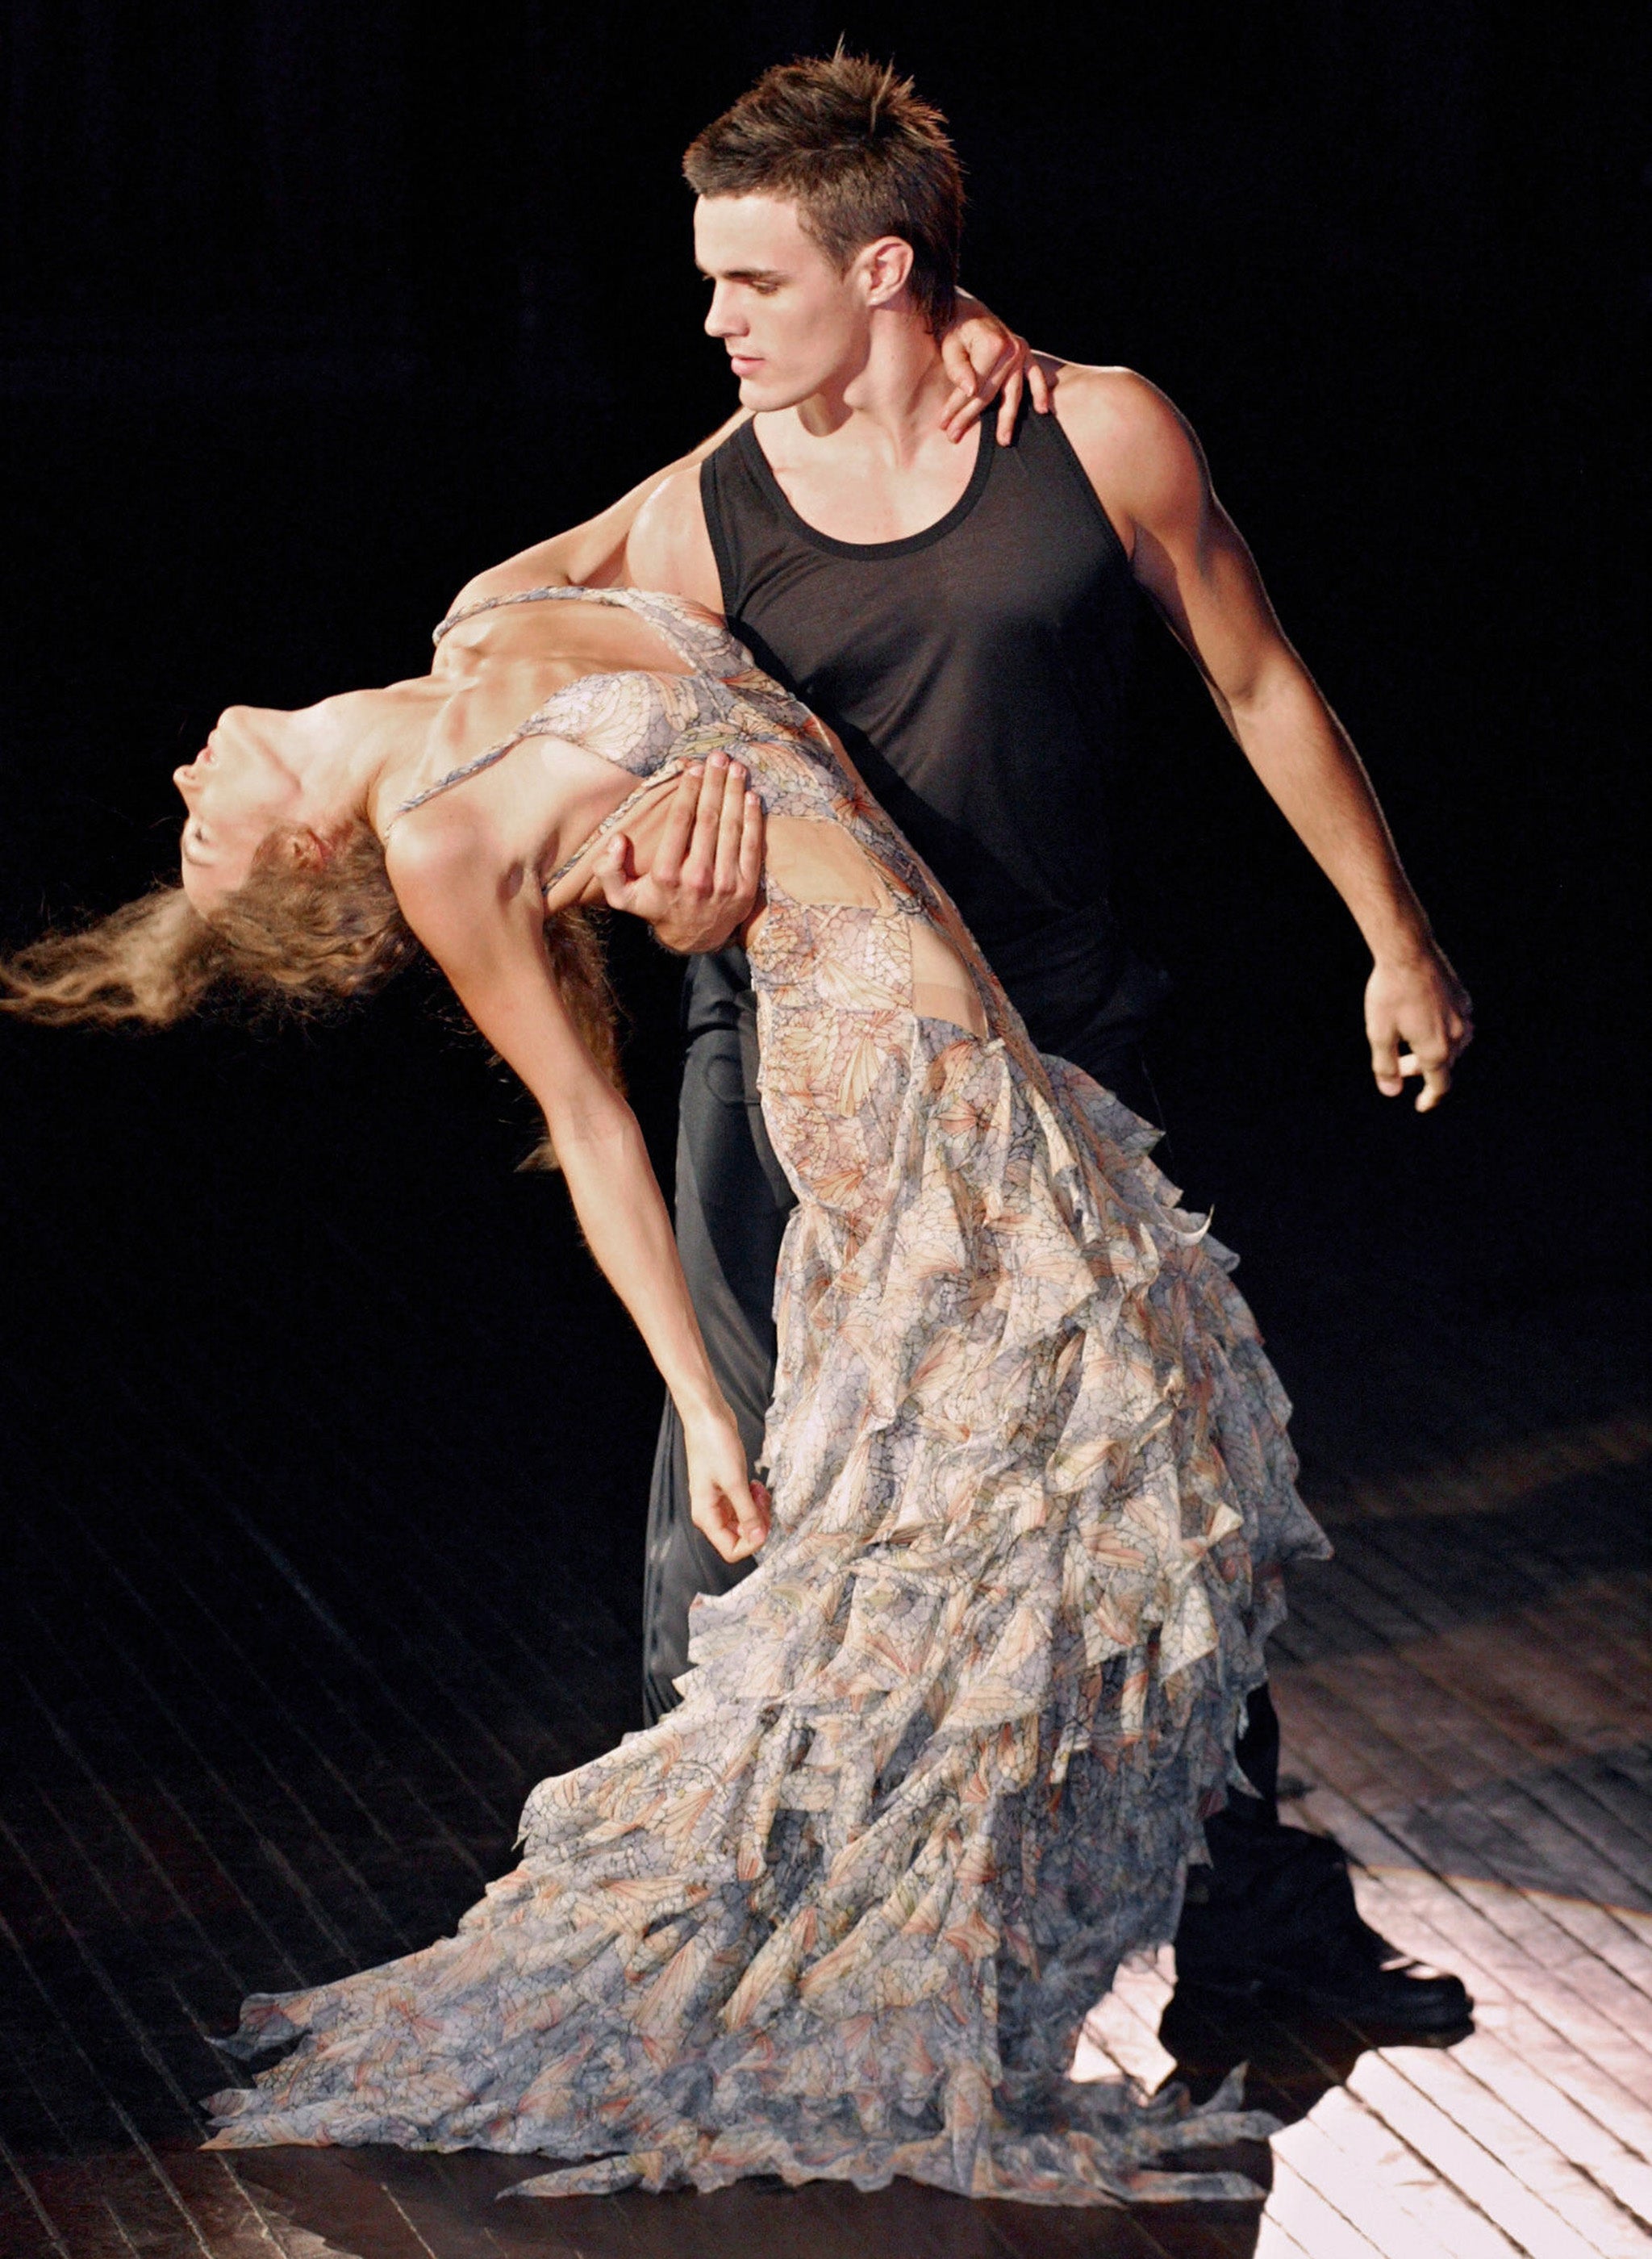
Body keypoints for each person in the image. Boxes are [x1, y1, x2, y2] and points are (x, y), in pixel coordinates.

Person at [6, 537, 1323, 2198]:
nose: (185, 775)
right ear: (308, 847)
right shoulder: (439, 834)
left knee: (1126, 1469)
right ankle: (870, 1957)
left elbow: (718, 467)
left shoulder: (492, 599)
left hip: (988, 1048)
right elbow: (590, 1125)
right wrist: (703, 1393)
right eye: (208, 830)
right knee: (1065, 1501)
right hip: (878, 1089)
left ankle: (938, 1935)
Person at [500, 51, 1473, 2033]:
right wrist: (647, 863)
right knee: (754, 1496)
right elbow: (491, 633)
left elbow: (1258, 677)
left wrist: (1396, 937)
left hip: (1060, 1052)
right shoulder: (706, 506)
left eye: (748, 285)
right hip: (794, 1082)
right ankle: (698, 1946)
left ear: (881, 268)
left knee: (1146, 1485)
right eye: (704, 283)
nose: (710, 321)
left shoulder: (1096, 434)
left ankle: (1252, 1925)